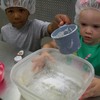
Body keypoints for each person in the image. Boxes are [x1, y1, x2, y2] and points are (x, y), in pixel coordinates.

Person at [37, 0, 100, 99]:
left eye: (96, 26)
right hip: (66, 82)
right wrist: (45, 52)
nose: (88, 31)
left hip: (88, 90)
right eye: (83, 24)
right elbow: (50, 45)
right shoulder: (74, 36)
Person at [0, 0, 71, 52]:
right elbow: (5, 49)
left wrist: (57, 22)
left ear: (29, 11)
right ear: (6, 13)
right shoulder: (4, 30)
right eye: (11, 11)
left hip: (34, 63)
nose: (16, 16)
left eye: (21, 10)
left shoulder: (35, 26)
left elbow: (51, 28)